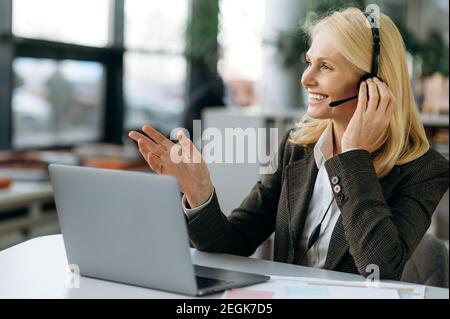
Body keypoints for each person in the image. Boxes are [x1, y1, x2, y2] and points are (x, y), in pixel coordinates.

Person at [129, 7, 449, 280]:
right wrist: (198, 191)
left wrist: (354, 158)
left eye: (325, 66)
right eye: (309, 62)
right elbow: (233, 244)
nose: (306, 78)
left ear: (374, 82)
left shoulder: (424, 170)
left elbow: (381, 269)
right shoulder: (297, 147)